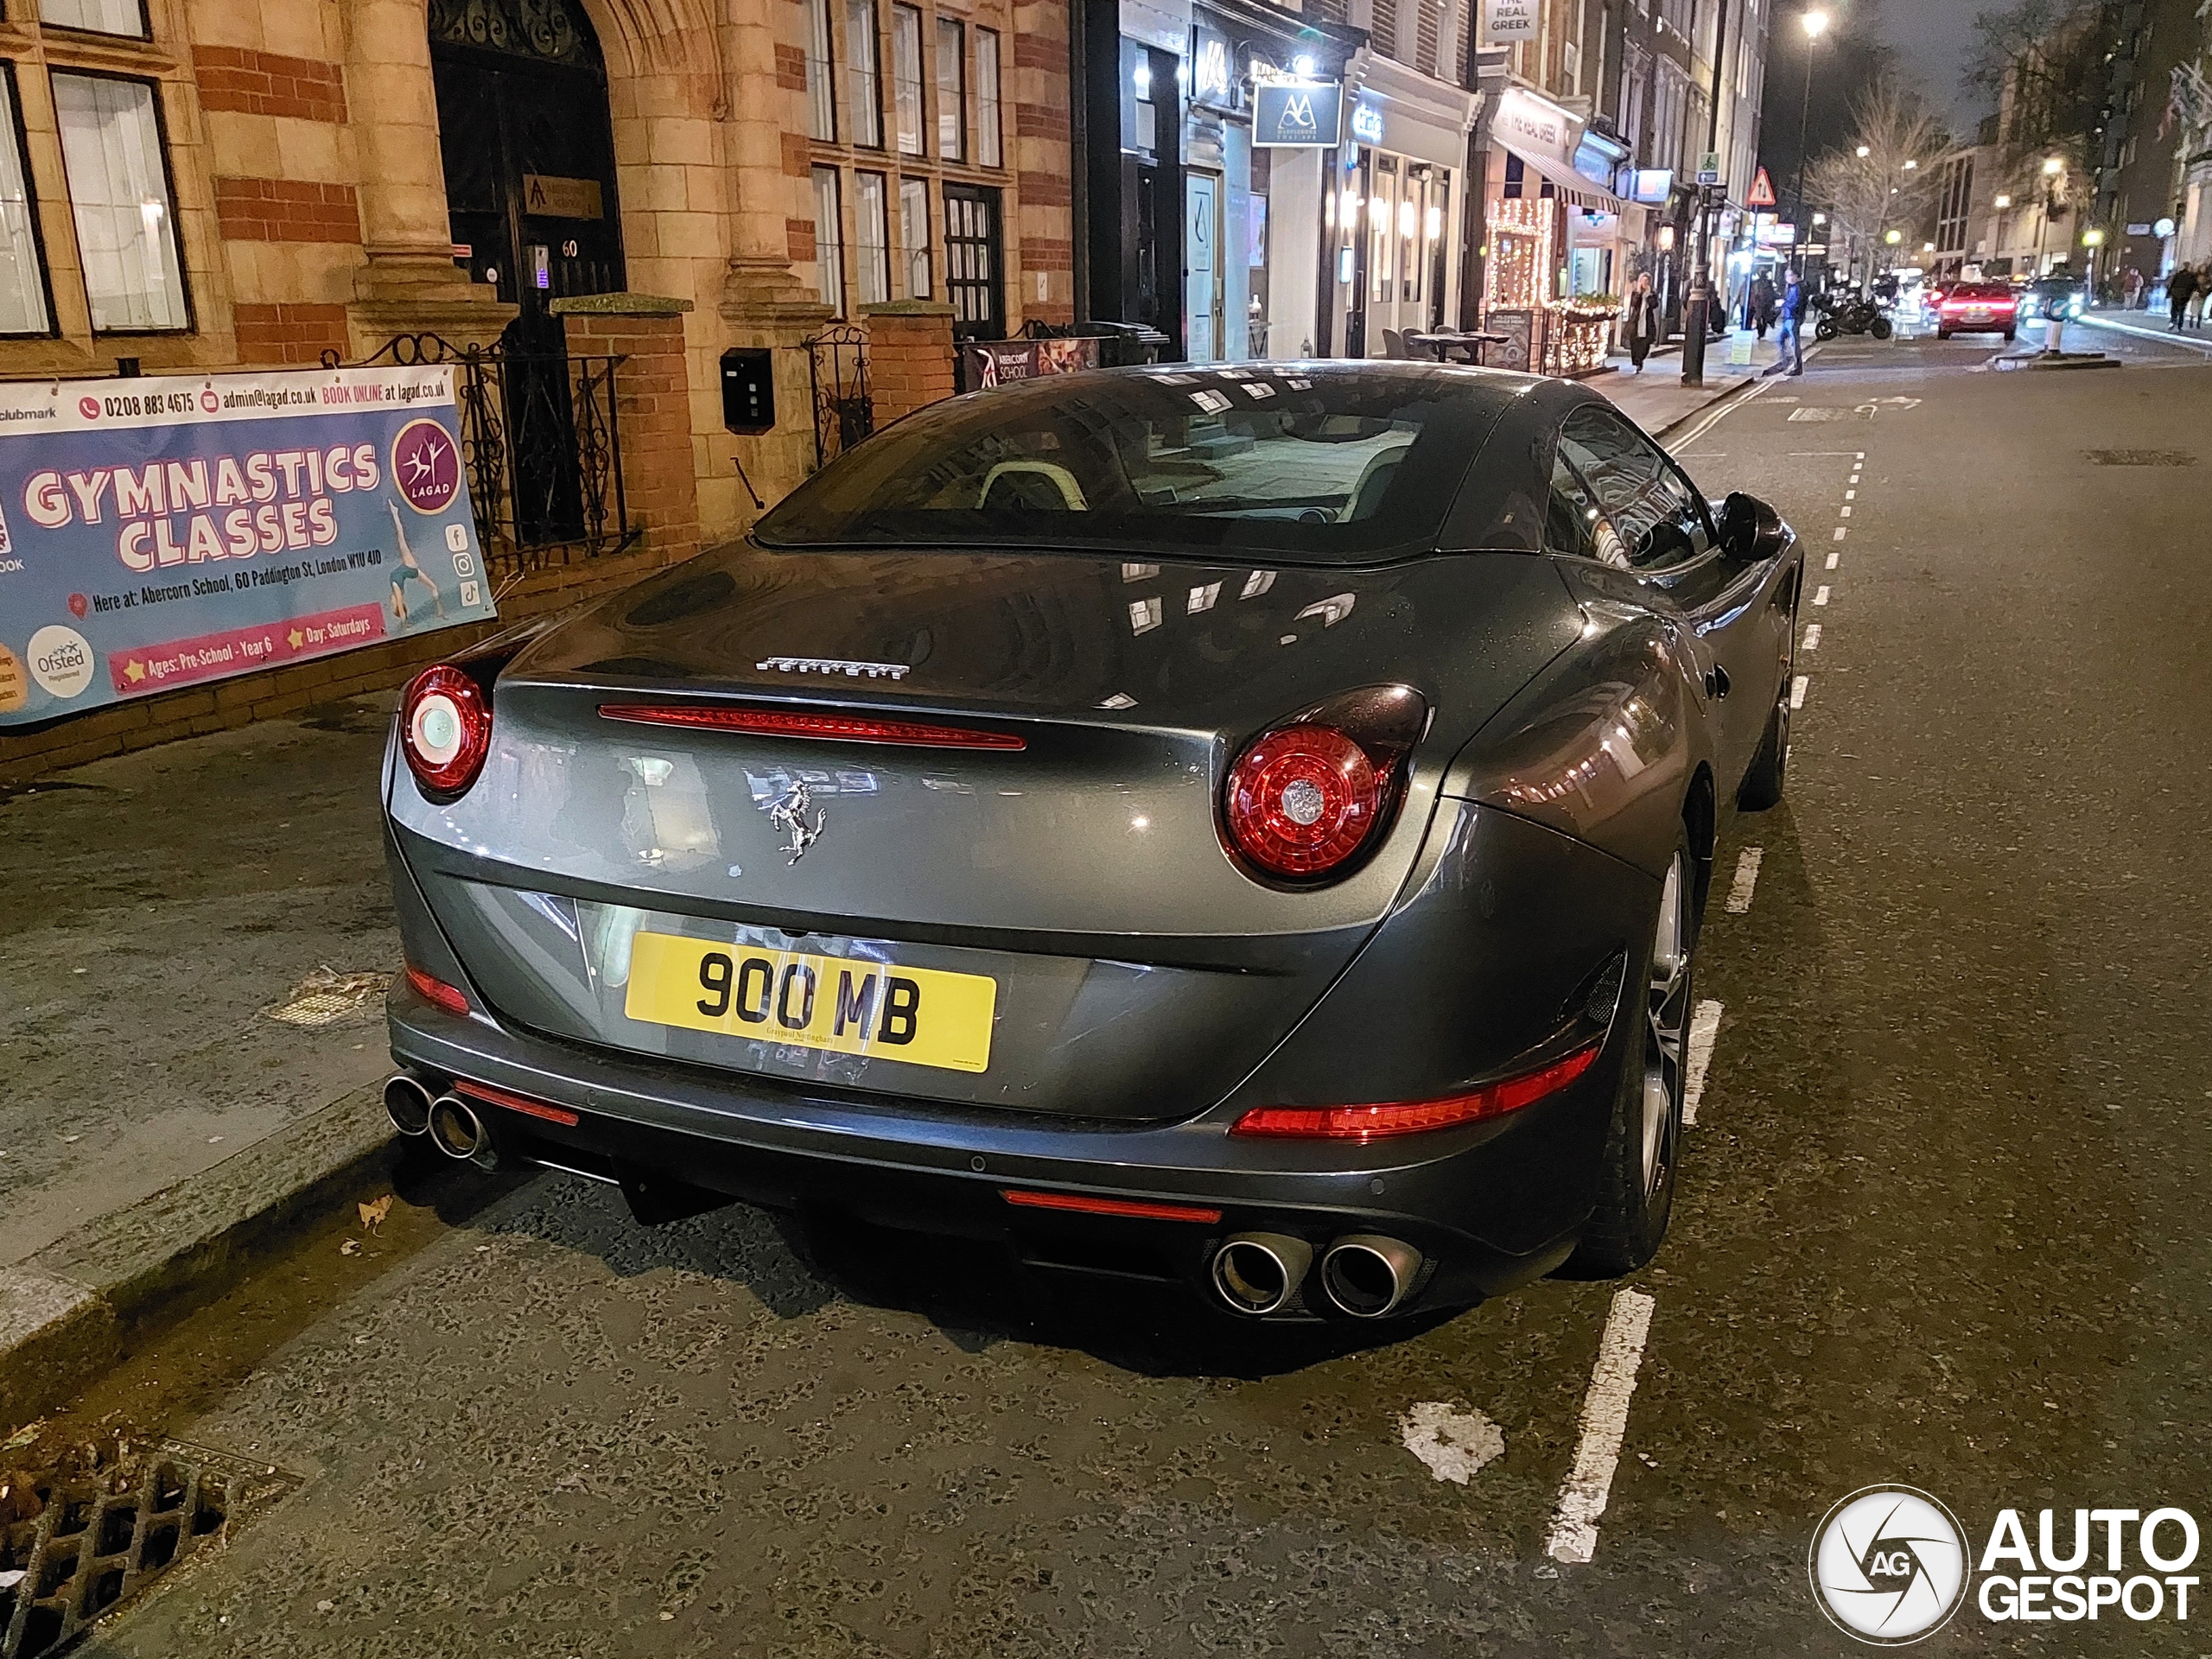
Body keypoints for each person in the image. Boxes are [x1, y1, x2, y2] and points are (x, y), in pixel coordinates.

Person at [1764, 268, 1805, 377]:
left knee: (1794, 343)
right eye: (1787, 276)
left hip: (1793, 318)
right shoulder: (1790, 288)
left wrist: (1783, 303)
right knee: (1780, 340)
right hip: (1787, 318)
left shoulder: (1797, 288)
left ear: (1796, 276)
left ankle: (1797, 367)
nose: (1789, 278)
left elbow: (1795, 303)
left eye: (1791, 275)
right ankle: (1785, 362)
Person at [1624, 274, 1659, 373]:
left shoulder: (1652, 293)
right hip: (1636, 321)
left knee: (1645, 343)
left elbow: (1655, 305)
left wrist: (1649, 296)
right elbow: (1633, 304)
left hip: (1647, 321)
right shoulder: (1636, 292)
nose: (1644, 283)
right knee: (1635, 342)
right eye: (1643, 281)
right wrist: (1639, 293)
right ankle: (1637, 362)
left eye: (1646, 281)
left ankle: (1641, 359)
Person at [2168, 264, 2198, 330]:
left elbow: (2173, 284)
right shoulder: (2191, 276)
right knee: (2181, 310)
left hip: (2176, 293)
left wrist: (2169, 292)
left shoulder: (2178, 275)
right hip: (2184, 295)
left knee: (2174, 308)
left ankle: (2173, 320)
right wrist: (2190, 293)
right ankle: (2179, 324)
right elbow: (2194, 286)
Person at [1750, 272, 1777, 340]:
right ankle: (1760, 333)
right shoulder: (1757, 283)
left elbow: (1772, 294)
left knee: (1763, 319)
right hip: (1760, 304)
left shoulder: (1767, 284)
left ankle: (1761, 333)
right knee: (1760, 319)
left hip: (1765, 305)